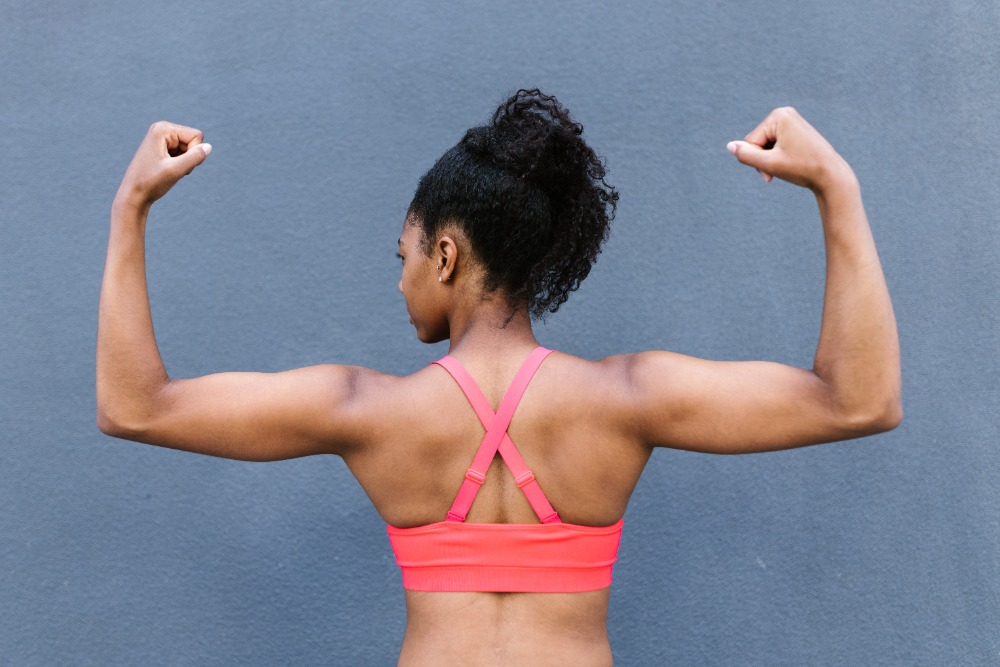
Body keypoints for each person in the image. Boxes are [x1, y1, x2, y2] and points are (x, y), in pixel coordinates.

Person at [97, 89, 901, 665]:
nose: (399, 278)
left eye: (403, 256)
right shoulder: (626, 400)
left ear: (445, 253)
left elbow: (134, 407)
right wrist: (838, 188)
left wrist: (130, 206)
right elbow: (858, 399)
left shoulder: (366, 412)